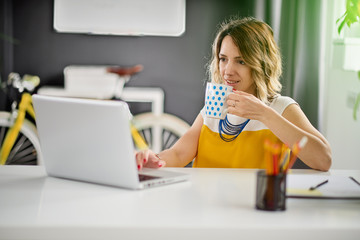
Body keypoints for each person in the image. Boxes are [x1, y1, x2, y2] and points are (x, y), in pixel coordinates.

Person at [136, 17, 332, 171]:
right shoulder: (214, 104)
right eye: (223, 59)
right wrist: (155, 160)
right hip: (206, 209)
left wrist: (264, 114)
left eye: (241, 61)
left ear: (261, 64)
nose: (228, 70)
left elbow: (323, 160)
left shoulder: (281, 107)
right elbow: (179, 154)